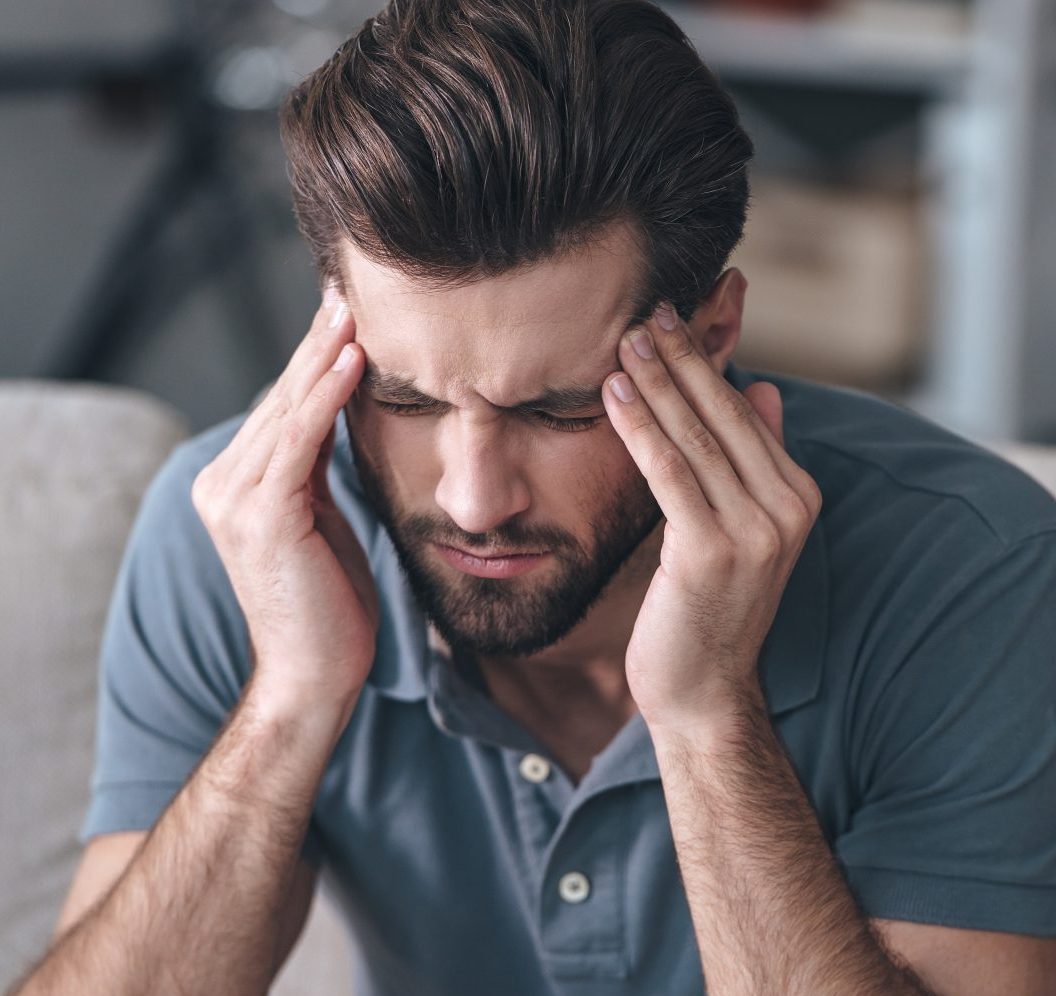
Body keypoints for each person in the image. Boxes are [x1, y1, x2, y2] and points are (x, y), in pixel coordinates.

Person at [12, 1, 1056, 994]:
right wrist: (289, 701)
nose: (473, 501)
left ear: (712, 336)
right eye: (404, 397)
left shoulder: (973, 573)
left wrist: (704, 720)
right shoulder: (244, 537)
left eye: (558, 412)